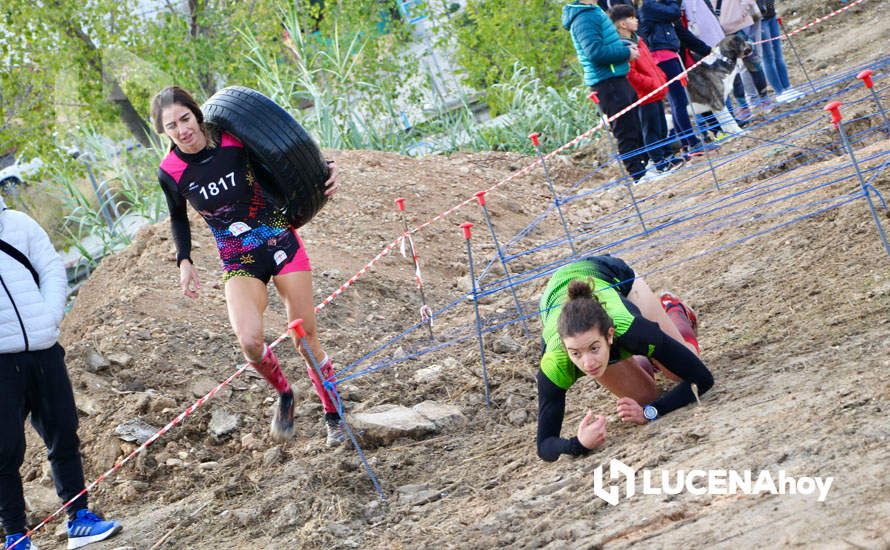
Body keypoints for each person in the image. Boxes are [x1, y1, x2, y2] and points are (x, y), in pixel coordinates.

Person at [150, 86, 345, 447]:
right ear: (164, 132)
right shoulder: (170, 171)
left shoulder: (233, 140)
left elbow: (288, 154)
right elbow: (178, 217)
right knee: (251, 343)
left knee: (304, 337)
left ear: (197, 115)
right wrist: (185, 260)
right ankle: (285, 394)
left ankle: (334, 415)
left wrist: (323, 171)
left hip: (279, 241)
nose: (182, 130)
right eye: (171, 126)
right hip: (238, 259)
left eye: (185, 119)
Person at [0, 196, 122, 549]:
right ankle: (15, 536)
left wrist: (50, 315)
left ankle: (79, 519)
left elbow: (51, 268)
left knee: (63, 432)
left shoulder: (19, 224)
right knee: (5, 450)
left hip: (44, 351)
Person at [535, 256, 713, 461]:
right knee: (645, 396)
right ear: (566, 348)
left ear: (610, 335)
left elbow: (702, 378)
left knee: (680, 371)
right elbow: (545, 445)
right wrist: (578, 444)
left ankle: (674, 309)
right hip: (556, 296)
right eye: (575, 353)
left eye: (594, 348)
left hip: (613, 276)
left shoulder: (631, 328)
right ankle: (652, 355)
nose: (588, 364)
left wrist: (651, 412)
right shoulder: (554, 362)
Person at [562, 0, 649, 182]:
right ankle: (639, 176)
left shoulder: (593, 11)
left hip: (616, 77)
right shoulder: (583, 18)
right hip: (607, 82)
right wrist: (626, 53)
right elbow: (595, 53)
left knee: (634, 124)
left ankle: (646, 168)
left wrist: (623, 49)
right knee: (626, 131)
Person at [610, 5, 686, 176]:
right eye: (632, 18)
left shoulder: (639, 40)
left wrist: (660, 77)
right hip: (644, 95)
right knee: (650, 129)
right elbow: (631, 74)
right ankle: (659, 162)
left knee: (660, 127)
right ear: (622, 24)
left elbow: (651, 63)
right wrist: (651, 83)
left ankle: (667, 155)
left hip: (656, 90)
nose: (637, 20)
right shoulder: (623, 46)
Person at [639, 0, 716, 157]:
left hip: (669, 55)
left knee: (678, 102)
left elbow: (682, 33)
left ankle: (687, 143)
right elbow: (674, 11)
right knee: (679, 101)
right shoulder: (649, 6)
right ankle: (693, 143)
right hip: (662, 57)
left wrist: (707, 50)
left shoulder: (659, 8)